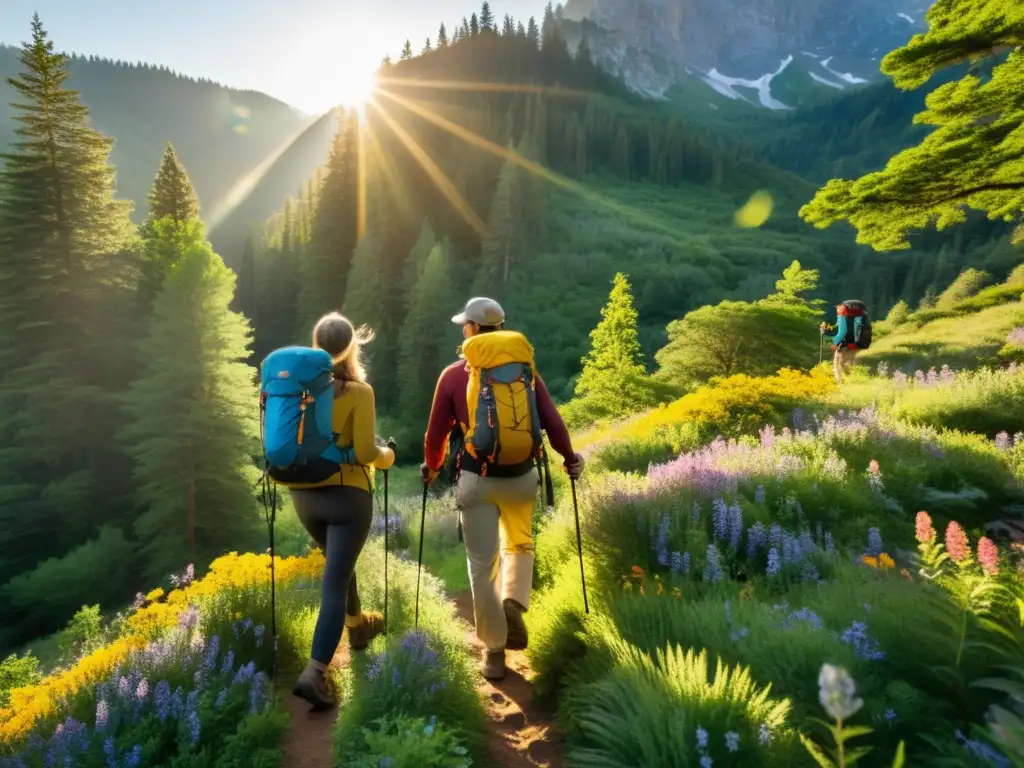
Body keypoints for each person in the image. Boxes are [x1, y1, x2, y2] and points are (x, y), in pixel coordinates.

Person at [421, 297, 585, 681]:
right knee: (520, 545)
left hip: (478, 479)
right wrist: (570, 457)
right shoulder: (526, 371)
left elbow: (435, 434)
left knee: (482, 565)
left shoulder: (455, 374)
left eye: (466, 325)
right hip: (523, 478)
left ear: (474, 329)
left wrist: (432, 467)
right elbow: (552, 422)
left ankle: (494, 654)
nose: (463, 329)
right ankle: (514, 602)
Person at [288, 312, 395, 710]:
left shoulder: (297, 387)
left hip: (304, 497)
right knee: (334, 582)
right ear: (352, 346)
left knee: (339, 566)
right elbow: (367, 453)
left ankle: (357, 628)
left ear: (315, 343)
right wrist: (388, 455)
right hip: (346, 498)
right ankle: (315, 673)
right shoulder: (357, 391)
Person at [822, 302, 859, 384]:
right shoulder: (853, 318)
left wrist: (835, 343)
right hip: (853, 344)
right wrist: (827, 330)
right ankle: (851, 381)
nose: (837, 310)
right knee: (848, 363)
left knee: (838, 363)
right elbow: (837, 329)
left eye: (838, 308)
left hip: (843, 345)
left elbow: (842, 331)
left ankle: (841, 383)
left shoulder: (842, 317)